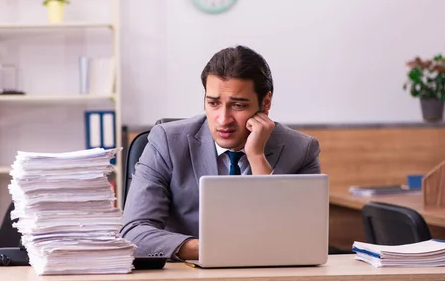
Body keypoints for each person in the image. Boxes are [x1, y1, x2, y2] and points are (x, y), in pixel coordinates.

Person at [120, 45, 321, 260]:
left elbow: (303, 237)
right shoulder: (167, 142)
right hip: (187, 278)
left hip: (268, 278)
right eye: (213, 103)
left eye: (238, 105)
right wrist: (212, 248)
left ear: (265, 103)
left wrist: (257, 157)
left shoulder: (301, 150)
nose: (223, 119)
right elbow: (134, 233)